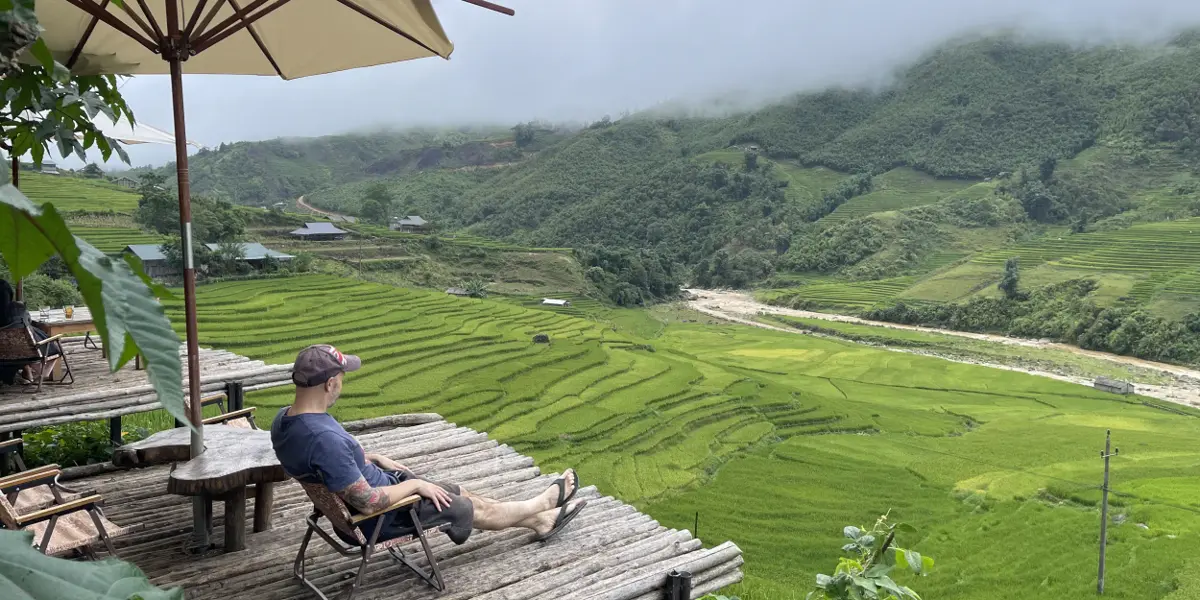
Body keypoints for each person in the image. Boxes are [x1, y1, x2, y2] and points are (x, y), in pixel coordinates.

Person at [271, 344, 586, 547]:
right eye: (342, 378)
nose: (343, 383)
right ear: (330, 383)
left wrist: (373, 457)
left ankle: (540, 516)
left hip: (361, 504)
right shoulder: (324, 441)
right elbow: (369, 502)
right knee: (468, 506)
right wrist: (416, 485)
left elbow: (330, 464)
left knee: (457, 491)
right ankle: (539, 510)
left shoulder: (285, 421)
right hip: (380, 519)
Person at [0, 280, 61, 385]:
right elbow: (28, 322)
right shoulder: (17, 310)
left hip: (4, 354)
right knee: (48, 344)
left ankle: (27, 370)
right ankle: (42, 373)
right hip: (24, 352)